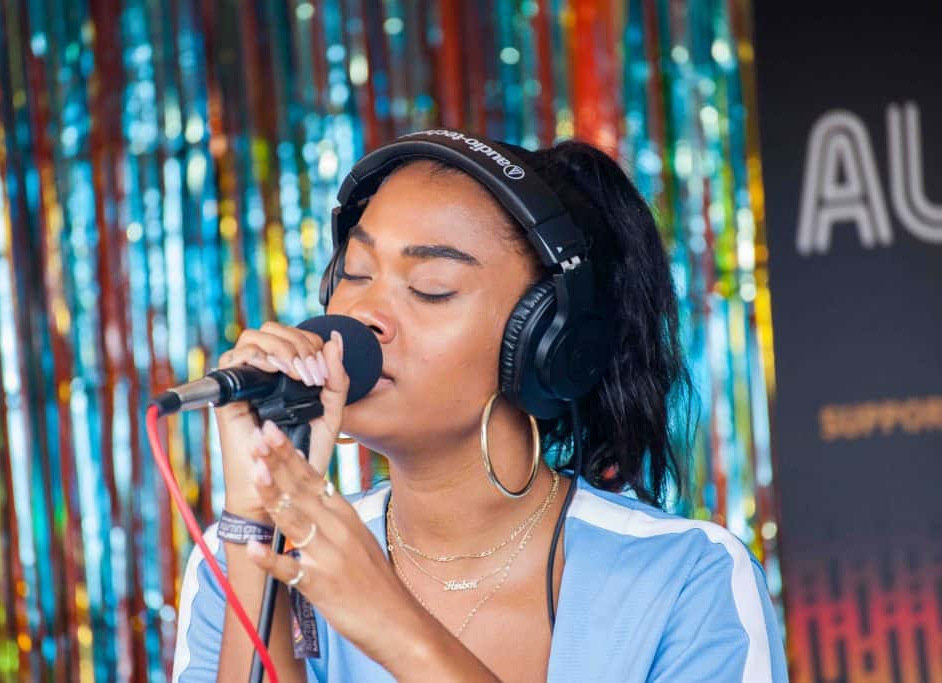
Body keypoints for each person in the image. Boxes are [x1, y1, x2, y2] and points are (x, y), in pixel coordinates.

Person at [172, 131, 788, 682]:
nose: (363, 317)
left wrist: (396, 628)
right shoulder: (233, 561)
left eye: (430, 290)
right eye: (356, 273)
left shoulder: (686, 578)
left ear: (545, 344)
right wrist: (261, 522)